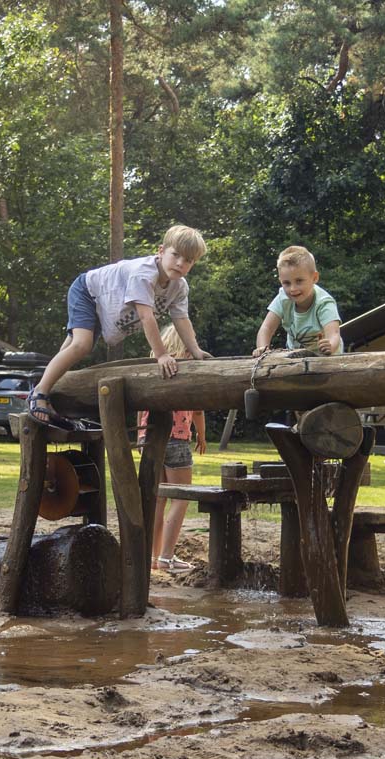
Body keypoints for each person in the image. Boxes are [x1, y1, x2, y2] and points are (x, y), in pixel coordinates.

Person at [29, 225, 212, 427]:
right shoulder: (144, 274)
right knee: (82, 345)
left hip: (105, 305)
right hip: (89, 292)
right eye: (175, 255)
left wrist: (195, 350)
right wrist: (161, 354)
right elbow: (146, 317)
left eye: (188, 260)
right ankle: (39, 393)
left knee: (75, 346)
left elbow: (181, 319)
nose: (179, 263)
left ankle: (49, 390)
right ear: (161, 251)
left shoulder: (179, 287)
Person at [136, 325, 208, 573]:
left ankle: (153, 557)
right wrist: (202, 434)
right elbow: (197, 408)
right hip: (177, 438)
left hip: (151, 439)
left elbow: (139, 405)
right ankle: (167, 557)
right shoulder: (185, 370)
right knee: (181, 497)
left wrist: (140, 433)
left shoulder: (155, 368)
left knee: (158, 499)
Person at [252, 245, 343, 357]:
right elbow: (267, 328)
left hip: (326, 358)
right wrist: (262, 349)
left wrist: (330, 345)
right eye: (287, 283)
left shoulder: (323, 302)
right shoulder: (283, 299)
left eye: (299, 281)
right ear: (280, 281)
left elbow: (334, 333)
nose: (293, 289)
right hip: (295, 358)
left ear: (314, 278)